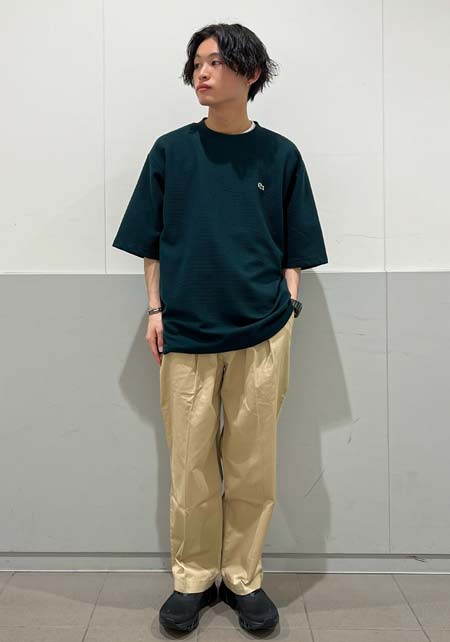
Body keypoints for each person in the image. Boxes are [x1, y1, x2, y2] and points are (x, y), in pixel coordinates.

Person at [112, 22, 328, 633]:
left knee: (253, 466)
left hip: (263, 332)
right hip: (185, 332)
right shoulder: (171, 151)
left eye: (214, 62)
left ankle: (243, 578)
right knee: (191, 468)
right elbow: (151, 241)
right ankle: (193, 578)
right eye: (197, 63)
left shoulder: (280, 155)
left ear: (250, 73)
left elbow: (296, 246)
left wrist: (289, 307)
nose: (201, 74)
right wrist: (156, 310)